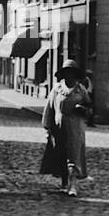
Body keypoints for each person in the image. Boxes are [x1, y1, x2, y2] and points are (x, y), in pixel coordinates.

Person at [41, 59, 91, 197]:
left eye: (72, 73)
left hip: (75, 126)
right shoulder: (57, 89)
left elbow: (89, 107)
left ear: (75, 75)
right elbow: (49, 108)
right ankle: (64, 183)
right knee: (60, 154)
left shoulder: (81, 90)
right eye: (67, 73)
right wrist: (47, 128)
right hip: (59, 126)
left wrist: (83, 109)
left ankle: (73, 185)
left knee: (74, 154)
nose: (69, 76)